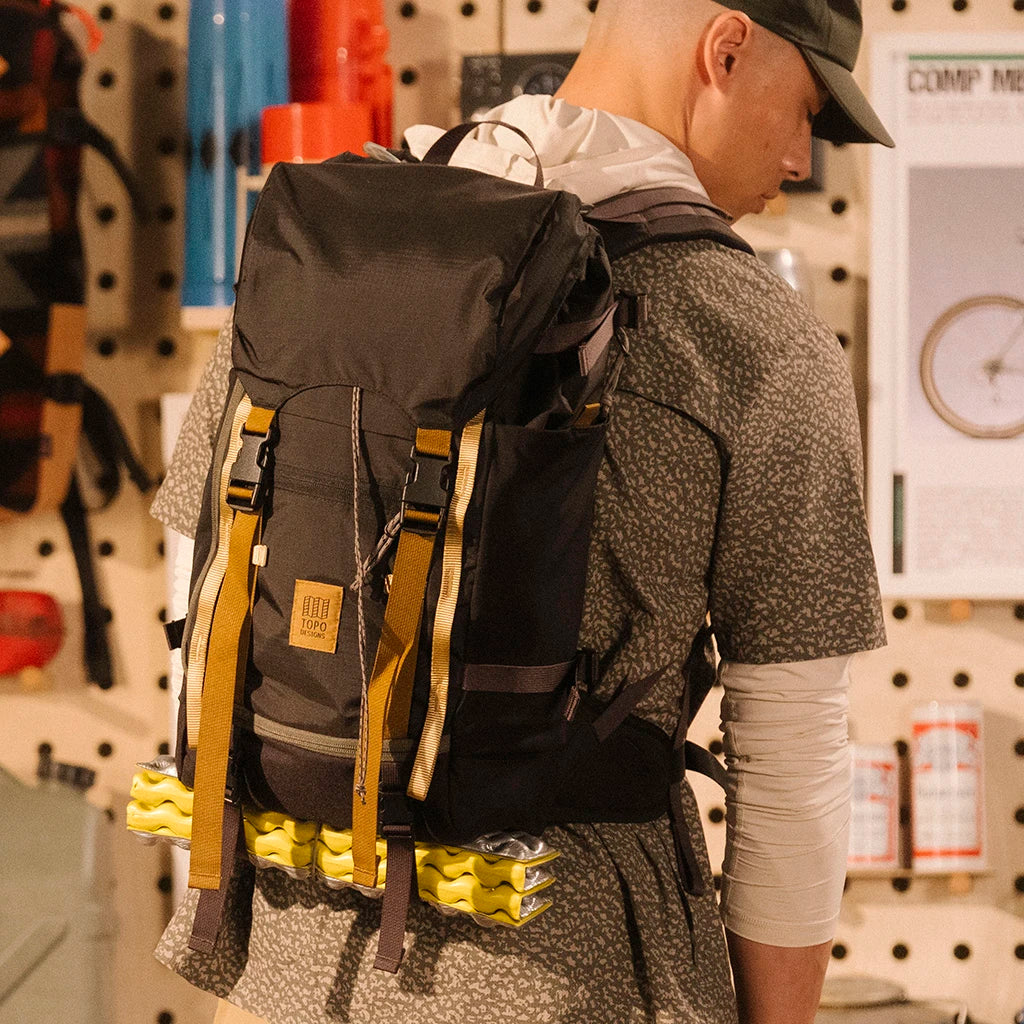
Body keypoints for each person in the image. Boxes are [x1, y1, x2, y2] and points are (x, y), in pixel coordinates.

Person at [151, 1, 890, 1021]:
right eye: (805, 108)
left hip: (292, 958)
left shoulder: (328, 250)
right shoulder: (749, 333)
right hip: (572, 970)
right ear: (725, 50)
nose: (801, 158)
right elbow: (793, 752)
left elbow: (199, 608)